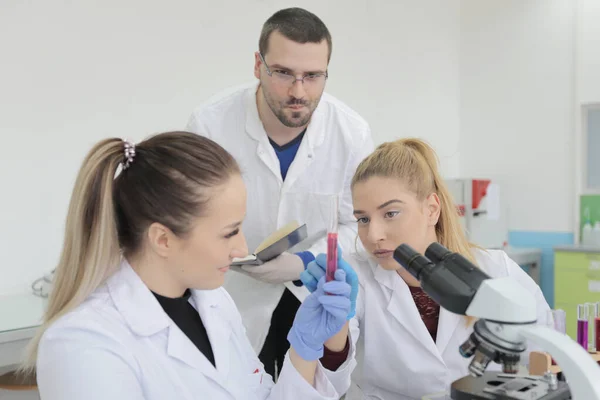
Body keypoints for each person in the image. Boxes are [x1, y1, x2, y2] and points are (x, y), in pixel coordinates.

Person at [21, 131, 357, 400]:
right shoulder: (84, 344)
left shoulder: (212, 303)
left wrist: (306, 350)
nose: (242, 249)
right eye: (229, 233)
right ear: (163, 239)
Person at [186, 7, 374, 377]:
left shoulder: (351, 134)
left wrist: (303, 263)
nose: (298, 92)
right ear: (258, 65)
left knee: (310, 386)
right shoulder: (210, 125)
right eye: (284, 73)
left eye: (313, 76)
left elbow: (361, 226)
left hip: (312, 295)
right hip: (230, 295)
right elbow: (189, 220)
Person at [299, 138, 552, 399]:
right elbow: (328, 387)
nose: (373, 235)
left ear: (432, 209)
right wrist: (334, 328)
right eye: (363, 219)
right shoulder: (355, 278)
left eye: (390, 213)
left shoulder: (496, 269)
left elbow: (546, 357)